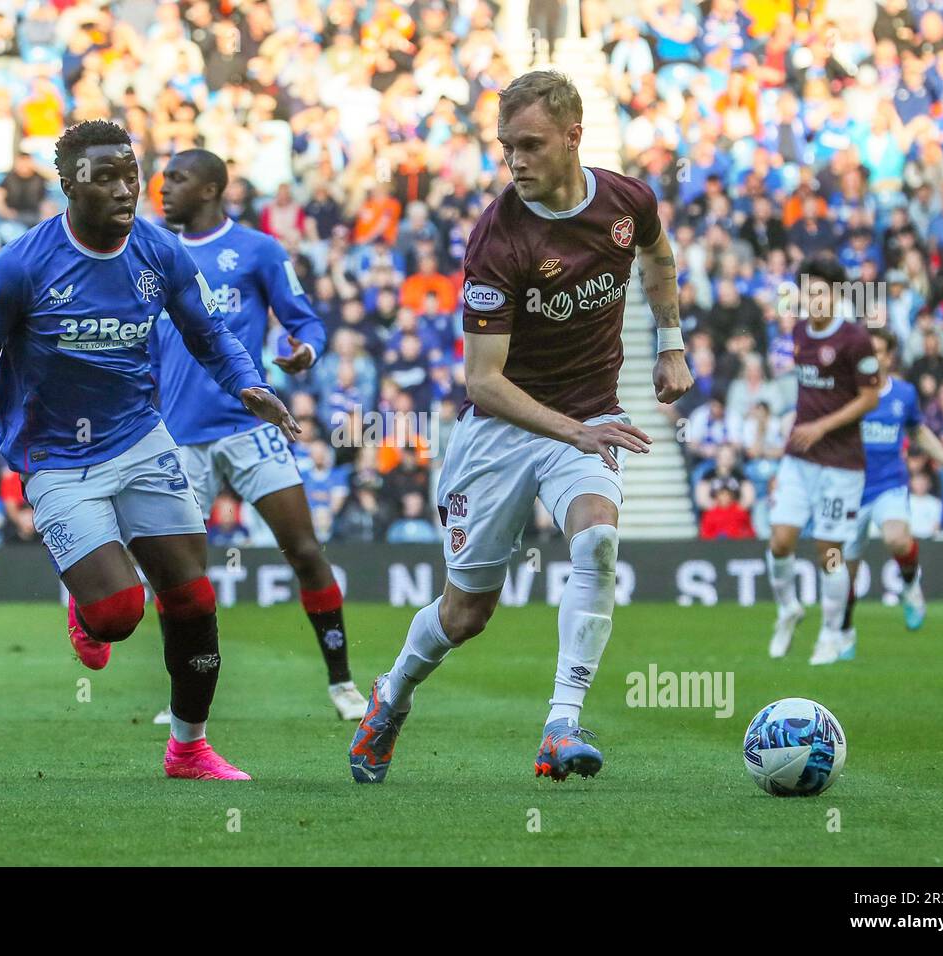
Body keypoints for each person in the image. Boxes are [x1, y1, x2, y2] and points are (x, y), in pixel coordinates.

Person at [349, 71, 693, 784]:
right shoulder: (498, 238)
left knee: (596, 541)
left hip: (591, 413)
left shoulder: (627, 201)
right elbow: (483, 382)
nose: (516, 162)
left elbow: (658, 256)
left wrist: (670, 342)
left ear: (573, 137)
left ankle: (561, 725)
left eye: (531, 145)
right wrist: (570, 431)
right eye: (507, 148)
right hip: (503, 429)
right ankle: (392, 694)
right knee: (467, 613)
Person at [0, 121, 298, 781]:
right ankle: (85, 600)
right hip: (55, 457)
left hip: (139, 436)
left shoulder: (159, 252)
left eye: (131, 173)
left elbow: (206, 331)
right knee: (118, 615)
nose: (126, 188)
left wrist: (248, 383)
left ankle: (189, 749)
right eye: (105, 177)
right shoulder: (19, 266)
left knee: (191, 599)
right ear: (70, 185)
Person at [148, 147, 366, 722]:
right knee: (181, 577)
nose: (163, 187)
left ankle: (342, 683)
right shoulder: (152, 250)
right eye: (164, 177)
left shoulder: (258, 250)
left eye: (178, 179)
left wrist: (306, 351)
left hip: (249, 427)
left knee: (304, 550)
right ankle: (183, 700)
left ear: (213, 190)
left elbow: (304, 318)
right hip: (180, 435)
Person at [765, 258, 881, 666]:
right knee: (779, 541)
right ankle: (788, 610)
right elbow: (806, 395)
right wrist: (794, 436)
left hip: (841, 465)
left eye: (820, 293)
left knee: (828, 553)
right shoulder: (797, 333)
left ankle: (832, 633)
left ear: (837, 295)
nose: (813, 300)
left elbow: (870, 397)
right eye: (807, 292)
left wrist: (821, 427)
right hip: (799, 459)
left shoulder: (855, 341)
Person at [841, 328, 943, 650]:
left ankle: (910, 587)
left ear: (888, 356)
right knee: (845, 572)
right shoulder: (846, 393)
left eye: (879, 351)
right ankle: (845, 628)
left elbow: (920, 434)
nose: (872, 357)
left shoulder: (903, 394)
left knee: (897, 537)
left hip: (888, 484)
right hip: (850, 489)